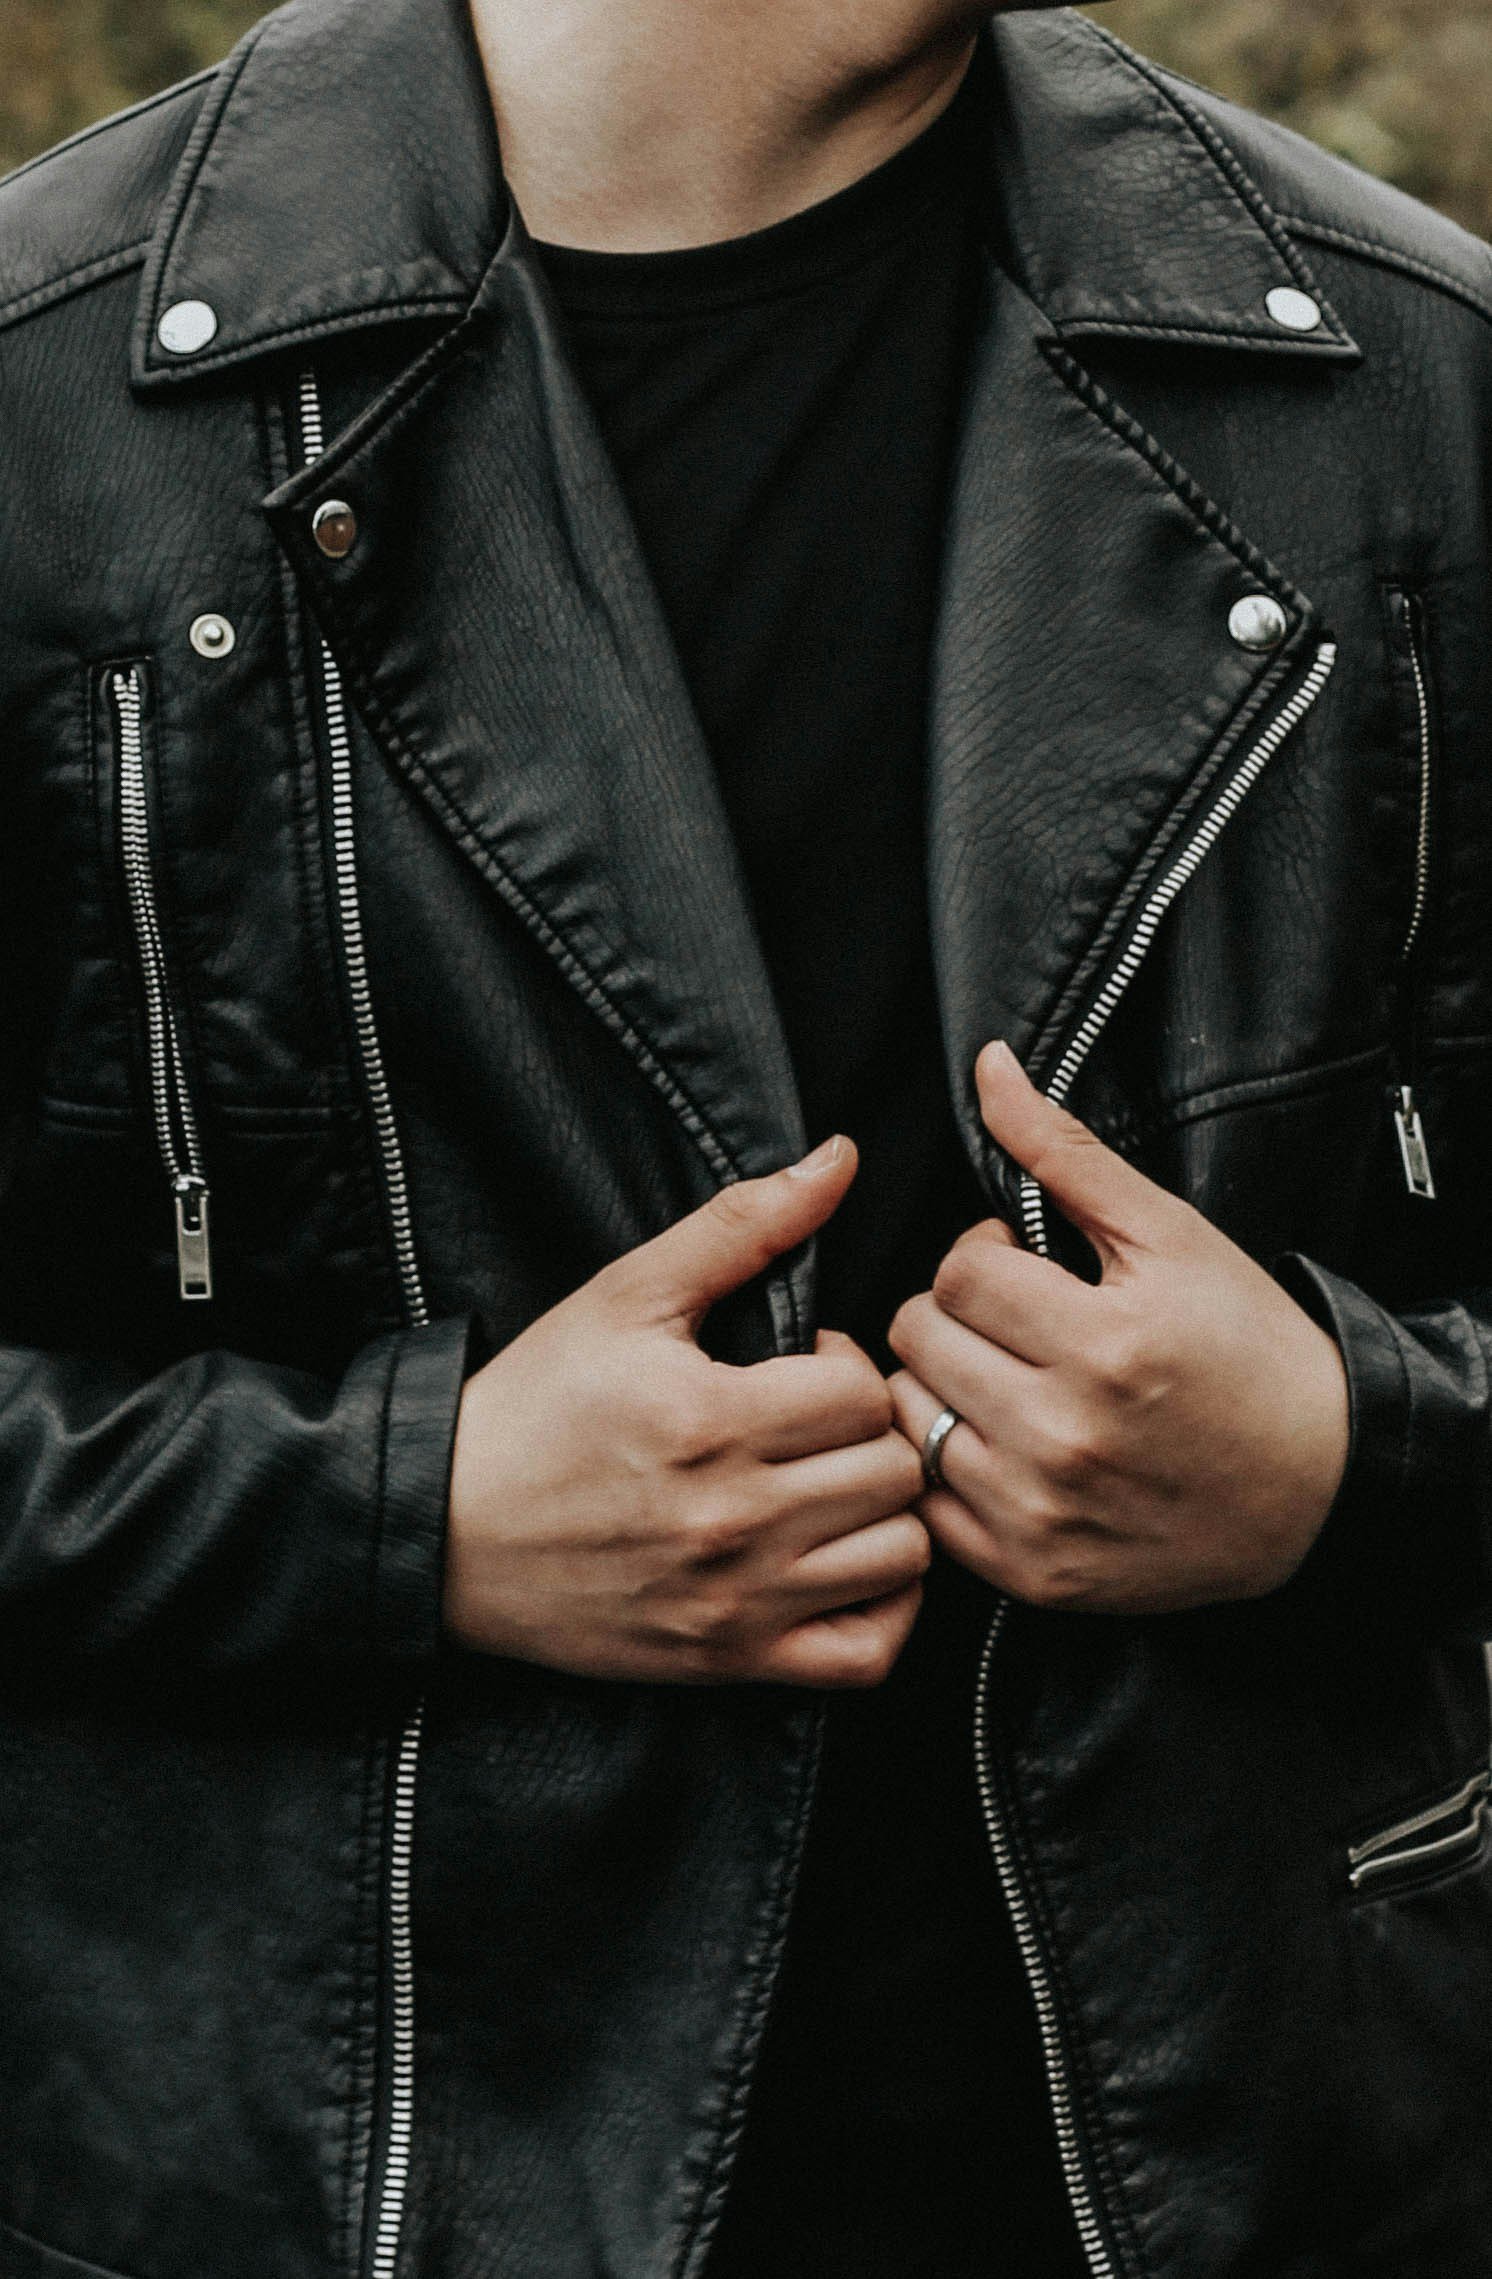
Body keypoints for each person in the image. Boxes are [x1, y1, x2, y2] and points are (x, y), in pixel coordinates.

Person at [0, 0, 1489, 2271]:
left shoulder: (1405, 389)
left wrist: (1340, 1451)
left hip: (1238, 2176)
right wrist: (408, 1511)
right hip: (330, 2190)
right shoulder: (49, 406)